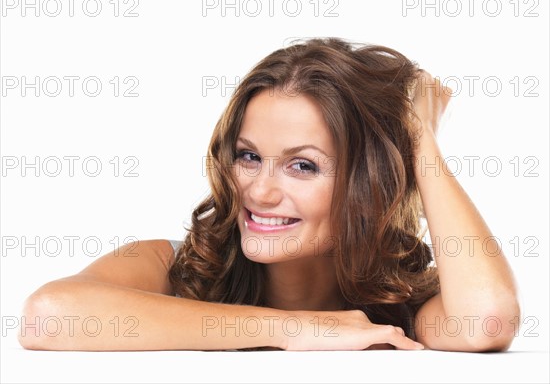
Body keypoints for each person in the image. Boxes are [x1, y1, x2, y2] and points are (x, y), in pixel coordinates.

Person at [18, 37, 520, 352]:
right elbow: (48, 318)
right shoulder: (169, 268)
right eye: (249, 156)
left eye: (303, 166)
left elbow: (487, 320)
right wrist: (294, 328)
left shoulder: (401, 307)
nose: (259, 190)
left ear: (372, 186)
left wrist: (419, 141)